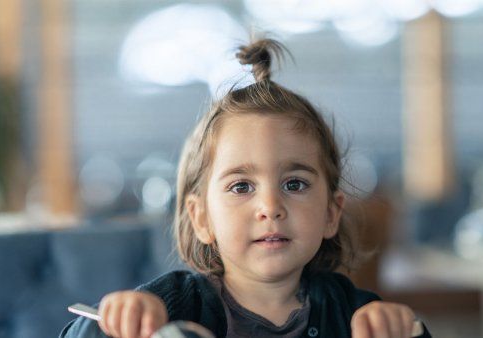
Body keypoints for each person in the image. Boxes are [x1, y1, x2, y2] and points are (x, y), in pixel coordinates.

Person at [61, 38, 431, 338]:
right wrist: (115, 323)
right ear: (201, 217)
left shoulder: (354, 315)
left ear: (331, 213)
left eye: (295, 183)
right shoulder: (171, 306)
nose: (270, 206)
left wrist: (404, 330)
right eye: (241, 187)